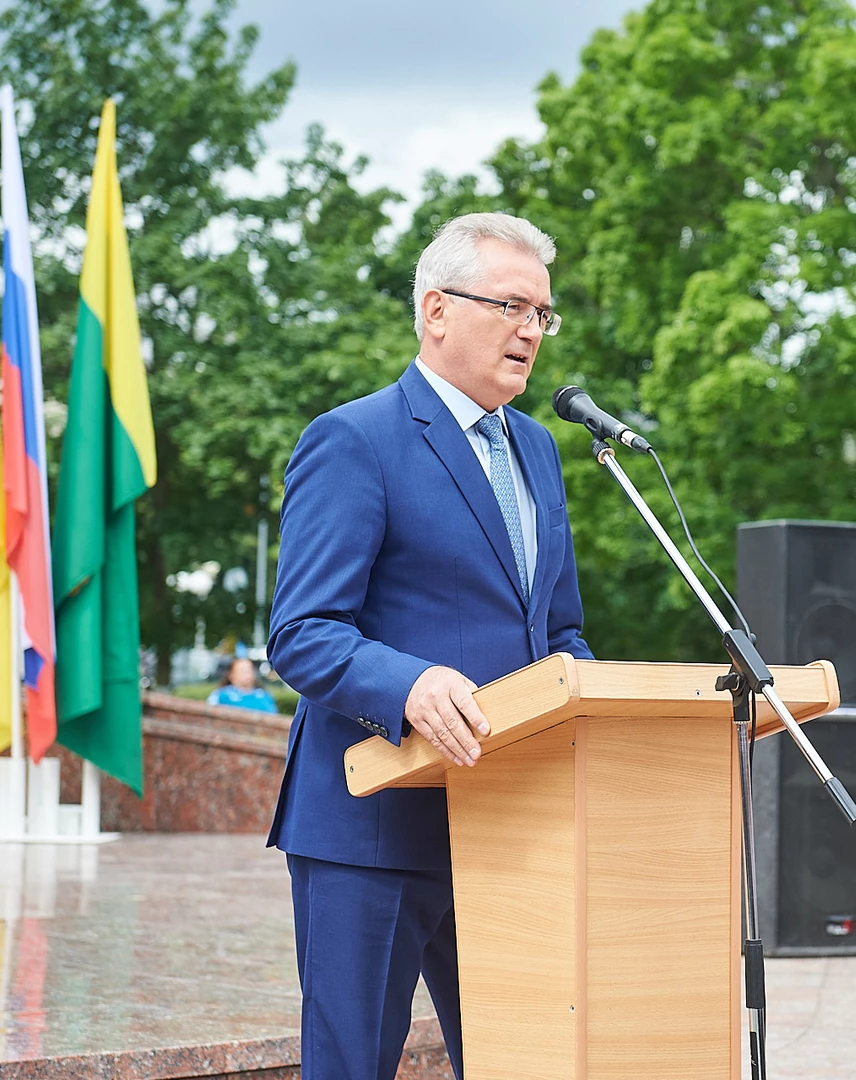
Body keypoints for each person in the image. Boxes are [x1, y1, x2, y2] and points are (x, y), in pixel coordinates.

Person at [265, 212, 596, 1079]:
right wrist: (408, 685)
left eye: (543, 313)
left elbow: (557, 630)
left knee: (520, 1064)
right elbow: (302, 632)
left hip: (506, 822)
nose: (532, 330)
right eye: (512, 306)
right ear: (436, 309)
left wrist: (594, 699)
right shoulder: (355, 439)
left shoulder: (538, 450)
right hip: (371, 826)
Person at [207, 657, 279, 713]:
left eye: (249, 670)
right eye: (242, 670)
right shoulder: (220, 695)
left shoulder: (264, 696)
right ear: (231, 675)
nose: (247, 673)